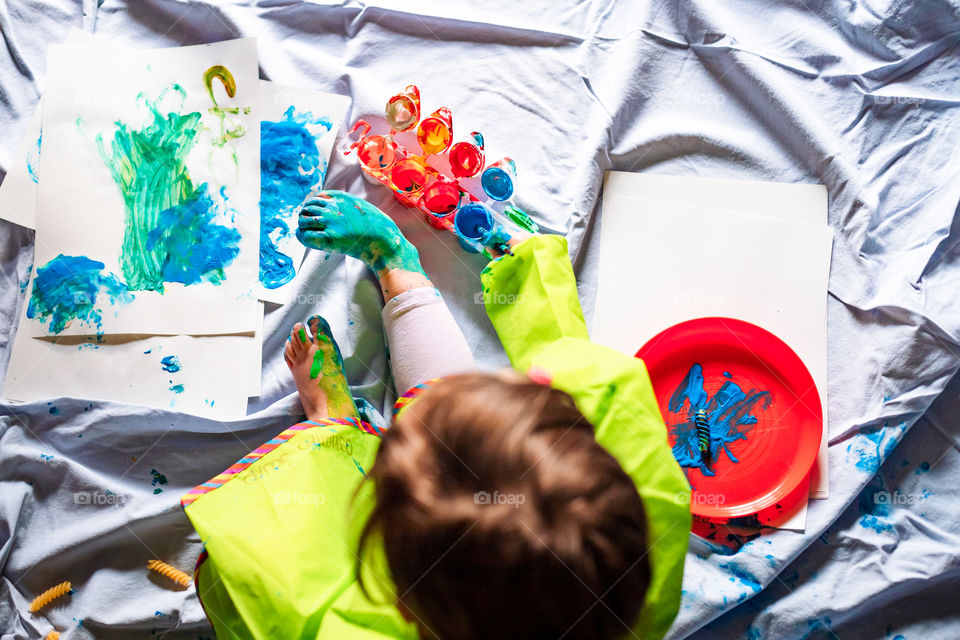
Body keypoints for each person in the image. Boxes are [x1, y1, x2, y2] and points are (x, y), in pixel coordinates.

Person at [181, 191, 691, 640]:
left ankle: (330, 426)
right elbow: (563, 353)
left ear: (400, 598)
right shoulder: (643, 502)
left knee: (299, 544)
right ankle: (397, 263)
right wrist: (523, 274)